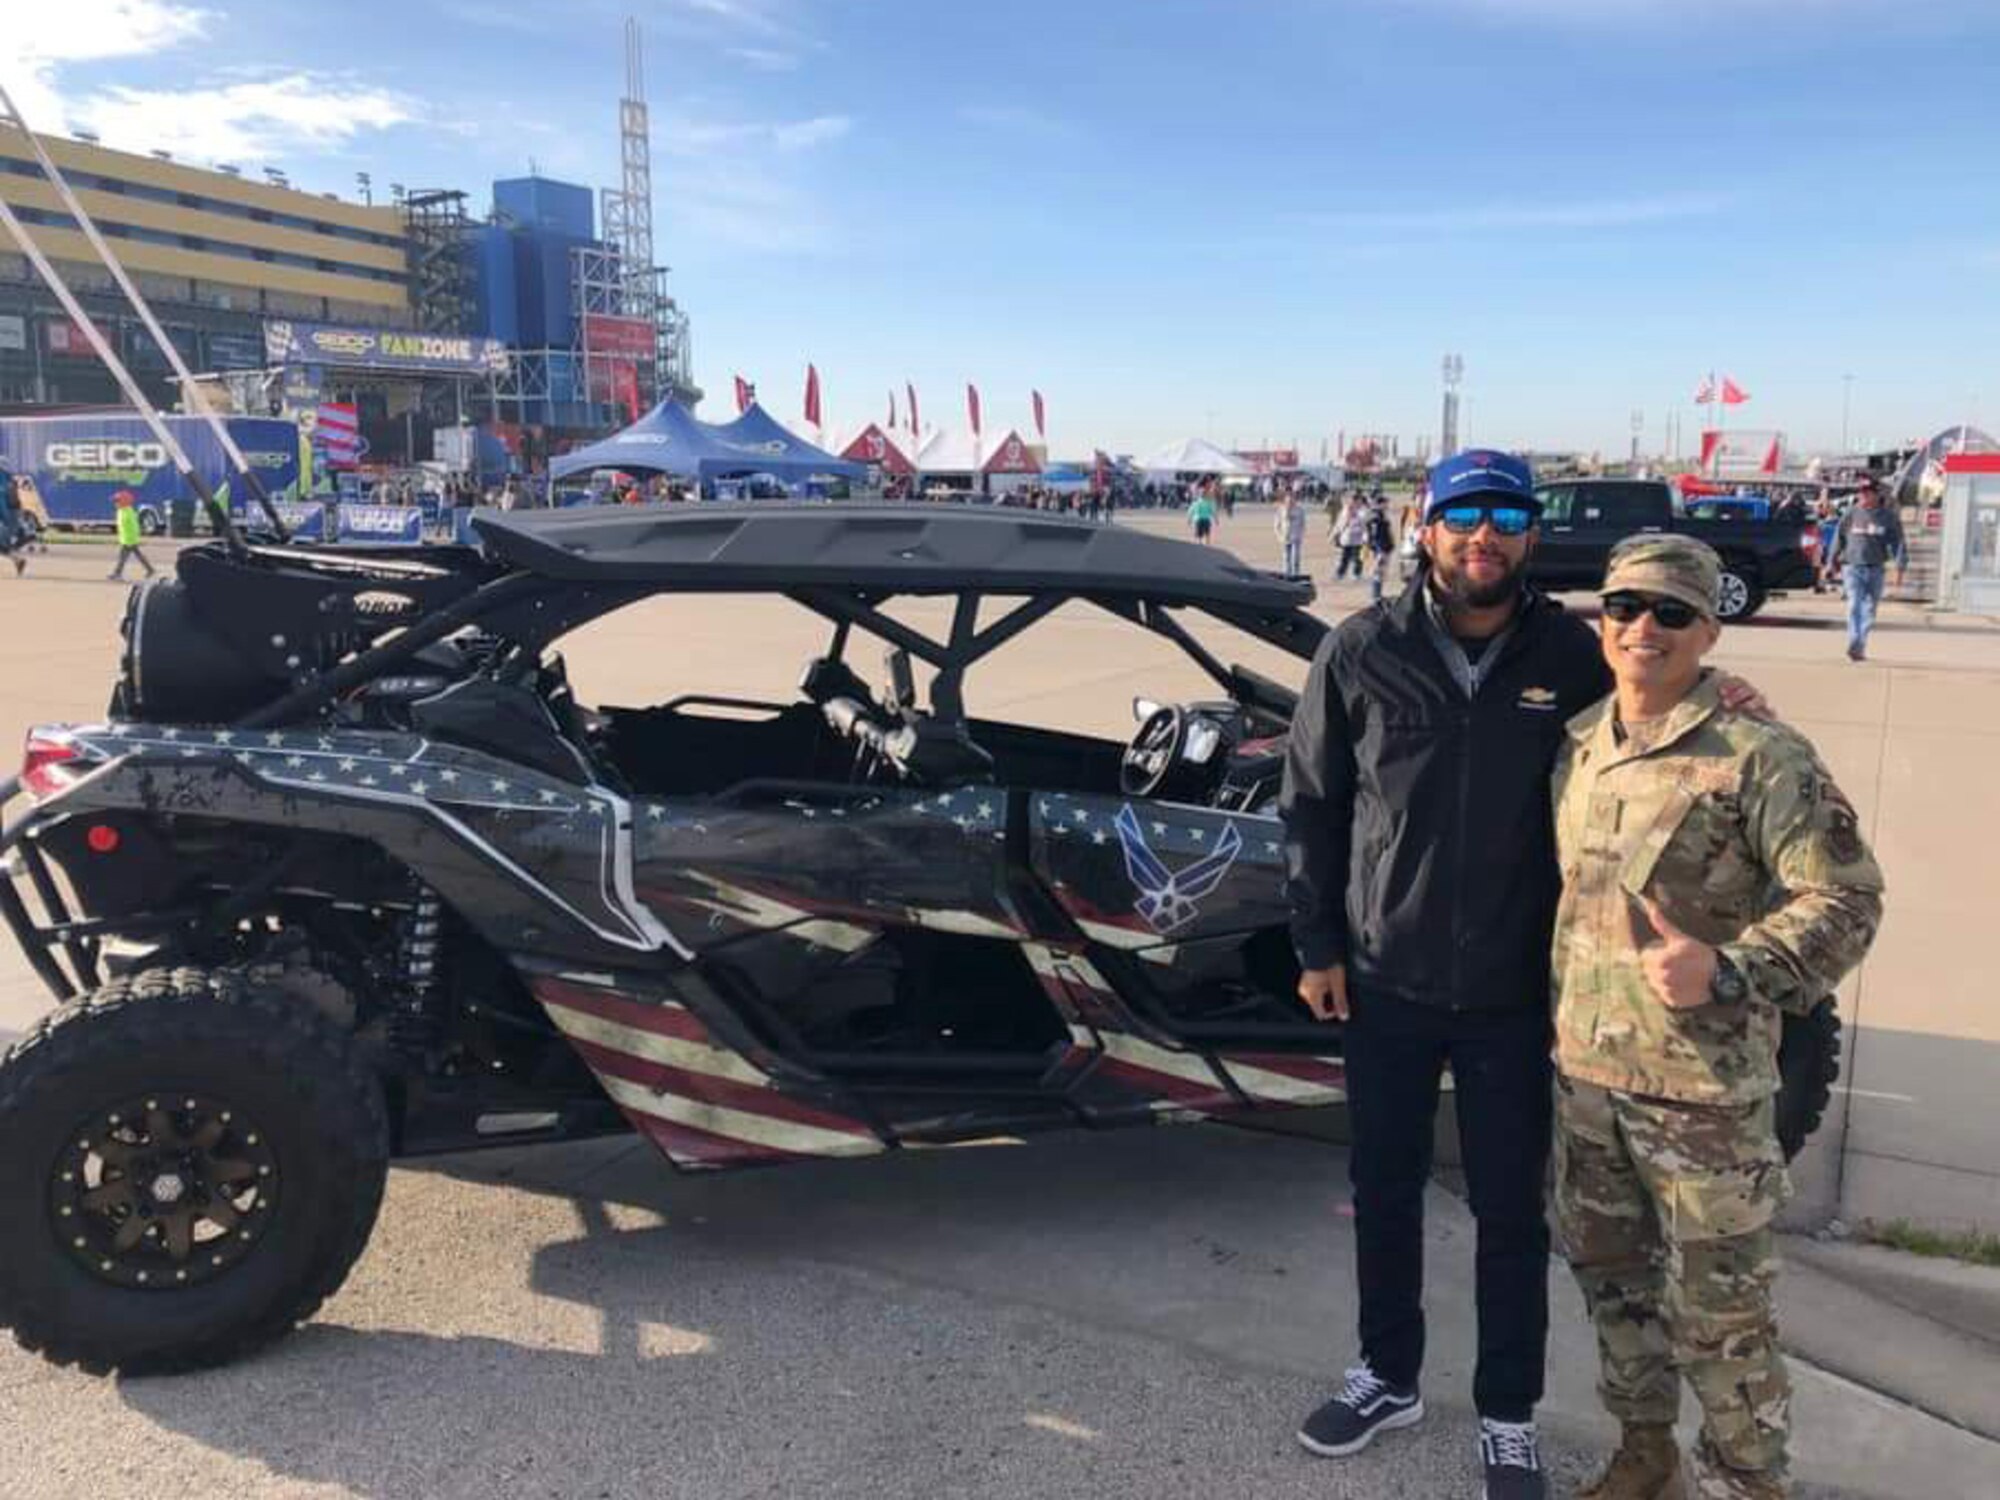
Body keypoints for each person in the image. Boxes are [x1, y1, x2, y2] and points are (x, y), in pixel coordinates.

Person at [1281, 450, 1609, 1500]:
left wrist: (1726, 696)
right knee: (1383, 1187)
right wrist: (1317, 947)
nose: (1484, 536)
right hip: (1386, 977)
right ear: (1423, 529)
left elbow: (1651, 742)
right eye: (1463, 515)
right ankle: (1388, 1375)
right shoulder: (1360, 650)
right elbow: (1312, 806)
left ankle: (1507, 1412)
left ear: (1530, 534)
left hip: (1515, 989)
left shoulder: (1574, 655)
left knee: (1511, 1209)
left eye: (1506, 517)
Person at [1551, 536, 1884, 1500]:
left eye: (1671, 613)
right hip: (1588, 1083)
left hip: (1701, 1100)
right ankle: (1645, 1456)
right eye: (1625, 608)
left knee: (1723, 1324)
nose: (1643, 629)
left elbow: (1848, 899)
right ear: (1602, 621)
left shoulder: (1758, 754)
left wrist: (1731, 968)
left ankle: (1745, 1484)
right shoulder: (1580, 745)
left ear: (1709, 631)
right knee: (1614, 1291)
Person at [1829, 477, 1905, 661]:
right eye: (1861, 493)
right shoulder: (1851, 513)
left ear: (1876, 495)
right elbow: (1839, 538)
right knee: (1854, 604)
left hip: (1876, 569)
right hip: (1852, 567)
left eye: (1867, 493)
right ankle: (1854, 640)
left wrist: (1900, 568)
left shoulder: (1888, 517)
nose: (1863, 496)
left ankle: (1860, 643)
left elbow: (1898, 544)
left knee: (1870, 610)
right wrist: (1830, 561)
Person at [107, 489, 156, 582]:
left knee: (122, 557)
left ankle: (117, 573)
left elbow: (134, 527)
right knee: (137, 555)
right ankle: (150, 570)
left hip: (129, 539)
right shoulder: (121, 511)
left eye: (117, 501)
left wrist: (131, 539)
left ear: (124, 502)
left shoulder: (128, 512)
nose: (115, 504)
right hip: (125, 539)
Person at [1331, 490, 1369, 579]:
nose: (1356, 502)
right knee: (1344, 557)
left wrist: (1366, 536)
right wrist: (1334, 534)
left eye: (1358, 500)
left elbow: (1365, 524)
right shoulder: (1346, 510)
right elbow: (1340, 523)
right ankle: (1340, 573)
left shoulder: (1363, 511)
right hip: (1347, 538)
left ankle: (1356, 573)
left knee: (1358, 558)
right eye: (1354, 500)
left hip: (1359, 538)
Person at [1275, 485, 1308, 575]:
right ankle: (1287, 573)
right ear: (1285, 500)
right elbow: (1277, 525)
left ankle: (1296, 574)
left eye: (1292, 499)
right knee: (1286, 558)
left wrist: (1300, 535)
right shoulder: (1280, 510)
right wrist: (1279, 536)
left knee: (1295, 557)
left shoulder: (1299, 510)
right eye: (1288, 499)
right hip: (1285, 537)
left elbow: (1303, 524)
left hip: (1296, 537)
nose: (1290, 501)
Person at [0, 475, 24, 577]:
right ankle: (18, 560)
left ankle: (18, 560)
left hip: (10, 517)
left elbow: (5, 505)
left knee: (2, 545)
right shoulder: (7, 477)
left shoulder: (4, 481)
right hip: (12, 516)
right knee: (2, 546)